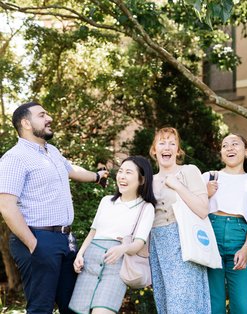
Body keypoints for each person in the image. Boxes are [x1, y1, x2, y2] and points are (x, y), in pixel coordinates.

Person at [0, 102, 108, 314]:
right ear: (26, 123)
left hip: (65, 240)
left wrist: (97, 177)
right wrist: (34, 245)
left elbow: (71, 170)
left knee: (74, 307)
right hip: (38, 238)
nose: (49, 118)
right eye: (42, 115)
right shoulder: (14, 158)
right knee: (41, 308)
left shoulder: (52, 152)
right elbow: (6, 206)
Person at [69, 156, 156, 313]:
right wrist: (80, 255)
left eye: (128, 172)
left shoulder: (146, 207)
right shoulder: (106, 201)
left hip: (116, 267)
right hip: (89, 263)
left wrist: (122, 249)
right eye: (121, 171)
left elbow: (139, 243)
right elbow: (92, 233)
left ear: (142, 180)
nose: (122, 176)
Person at [149, 127, 211, 314]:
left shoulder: (188, 171)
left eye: (172, 143)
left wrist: (177, 185)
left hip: (183, 241)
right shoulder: (148, 181)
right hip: (157, 244)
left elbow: (202, 209)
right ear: (154, 150)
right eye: (162, 142)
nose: (166, 147)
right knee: (165, 304)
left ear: (178, 151)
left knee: (182, 305)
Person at [202, 134, 247, 314]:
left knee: (243, 307)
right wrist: (205, 193)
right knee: (214, 305)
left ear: (246, 150)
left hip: (239, 240)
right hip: (210, 240)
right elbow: (193, 208)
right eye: (225, 145)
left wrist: (246, 248)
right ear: (220, 152)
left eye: (235, 144)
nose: (229, 148)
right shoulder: (209, 177)